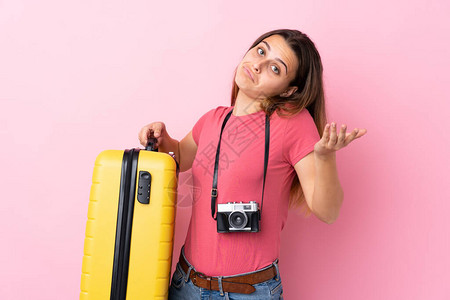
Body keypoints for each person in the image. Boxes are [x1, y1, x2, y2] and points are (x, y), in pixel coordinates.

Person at [138, 29, 367, 300]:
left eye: (274, 68)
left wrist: (326, 157)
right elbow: (180, 157)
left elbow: (327, 211)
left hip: (248, 292)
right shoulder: (214, 119)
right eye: (261, 50)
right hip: (186, 284)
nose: (257, 65)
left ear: (289, 90)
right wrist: (163, 138)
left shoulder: (293, 124)